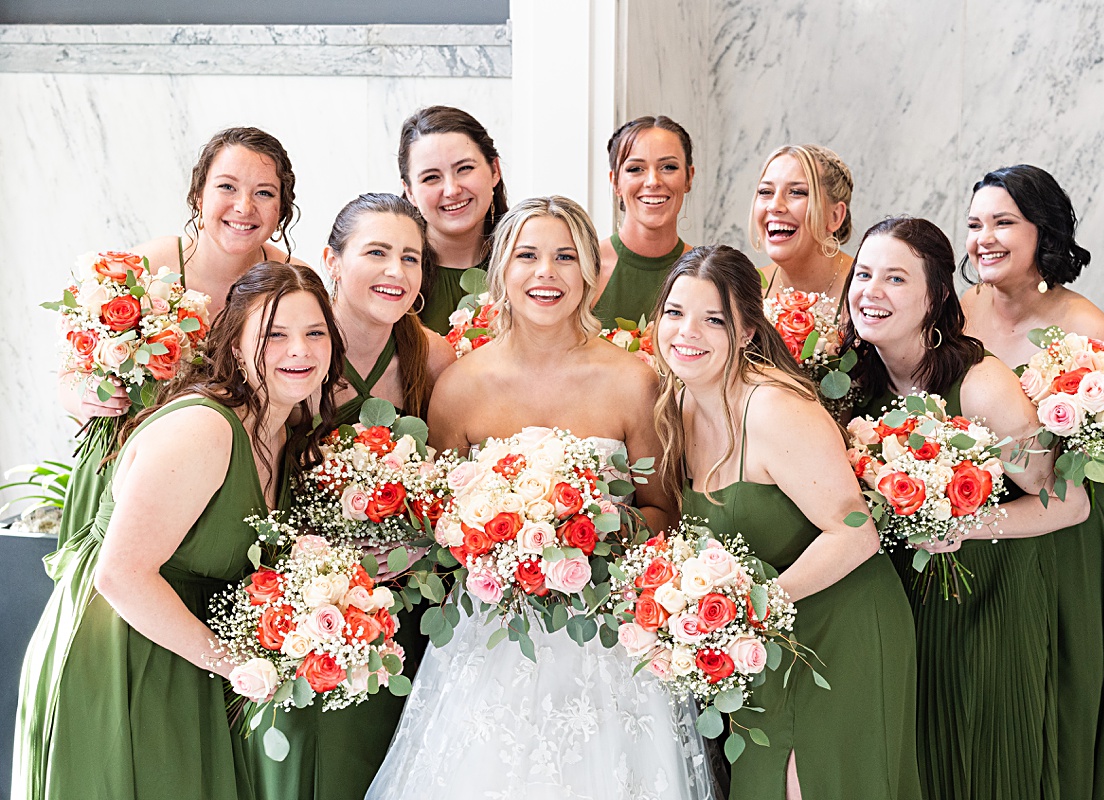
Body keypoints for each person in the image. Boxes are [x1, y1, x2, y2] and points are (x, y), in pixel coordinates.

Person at [366, 196, 714, 800]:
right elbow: (442, 524)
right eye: (527, 255)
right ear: (501, 269)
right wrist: (504, 542)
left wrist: (588, 525)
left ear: (592, 273)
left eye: (565, 257)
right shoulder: (460, 388)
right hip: (493, 635)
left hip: (609, 638)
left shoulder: (634, 381)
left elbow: (663, 509)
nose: (545, 273)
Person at [13, 261, 343, 800]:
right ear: (236, 347)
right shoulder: (204, 429)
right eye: (274, 335)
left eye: (314, 333)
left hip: (183, 650)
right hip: (120, 648)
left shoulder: (287, 433)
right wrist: (238, 666)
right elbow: (120, 576)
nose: (300, 351)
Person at [655, 243, 922, 800]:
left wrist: (752, 610)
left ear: (748, 331)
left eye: (714, 320)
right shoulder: (678, 406)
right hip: (771, 639)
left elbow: (856, 532)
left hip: (840, 624)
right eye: (675, 313)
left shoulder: (774, 409)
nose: (688, 333)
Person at [843, 216, 1091, 799]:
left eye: (896, 279)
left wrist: (965, 523)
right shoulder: (855, 379)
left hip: (988, 602)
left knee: (982, 762)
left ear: (934, 298)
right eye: (863, 274)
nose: (870, 291)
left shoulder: (981, 385)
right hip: (900, 603)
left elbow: (1069, 500)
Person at [245, 194, 454, 800]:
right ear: (332, 261)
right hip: (302, 600)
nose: (395, 271)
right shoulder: (296, 348)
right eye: (377, 253)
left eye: (410, 258)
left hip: (403, 604)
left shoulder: (433, 356)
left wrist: (414, 547)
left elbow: (448, 481)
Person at [959, 165, 1104, 799]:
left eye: (1004, 222)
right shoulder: (958, 310)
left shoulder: (1088, 328)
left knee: (1057, 692)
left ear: (1044, 231)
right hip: (976, 526)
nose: (985, 237)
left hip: (1067, 528)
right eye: (976, 223)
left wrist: (1093, 430)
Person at [55, 126, 305, 549]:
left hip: (235, 482)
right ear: (198, 195)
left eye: (264, 193)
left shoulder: (294, 283)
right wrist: (86, 395)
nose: (244, 207)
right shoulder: (140, 270)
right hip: (124, 480)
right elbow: (69, 375)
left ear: (282, 210)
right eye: (227, 187)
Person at [398, 106, 508, 335]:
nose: (452, 190)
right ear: (409, 191)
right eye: (431, 177)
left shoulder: (531, 264)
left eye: (464, 168)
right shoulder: (391, 274)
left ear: (494, 170)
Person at [593, 115, 694, 329]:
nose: (653, 182)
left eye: (668, 167)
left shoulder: (708, 273)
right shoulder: (585, 270)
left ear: (689, 178)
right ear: (615, 182)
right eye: (635, 169)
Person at [751, 145, 854, 301]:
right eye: (766, 192)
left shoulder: (864, 291)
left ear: (835, 216)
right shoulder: (745, 292)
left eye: (796, 192)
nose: (774, 206)